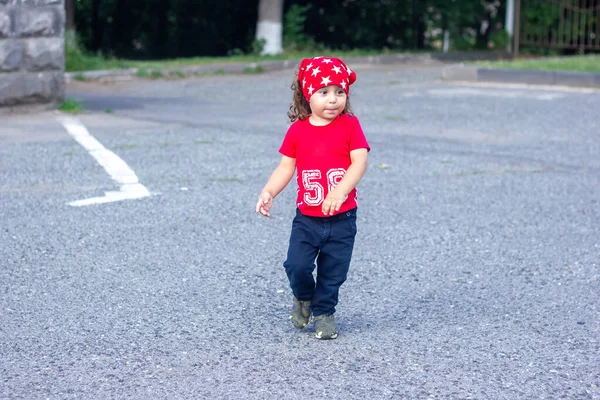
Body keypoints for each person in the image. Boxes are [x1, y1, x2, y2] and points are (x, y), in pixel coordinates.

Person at [255, 56, 370, 340]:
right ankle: (303, 297)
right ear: (308, 94)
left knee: (333, 272)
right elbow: (285, 167)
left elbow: (359, 162)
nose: (333, 100)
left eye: (339, 92)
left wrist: (340, 191)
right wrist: (269, 191)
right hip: (307, 219)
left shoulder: (350, 126)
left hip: (342, 219)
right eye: (324, 92)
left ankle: (324, 313)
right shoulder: (298, 131)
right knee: (297, 265)